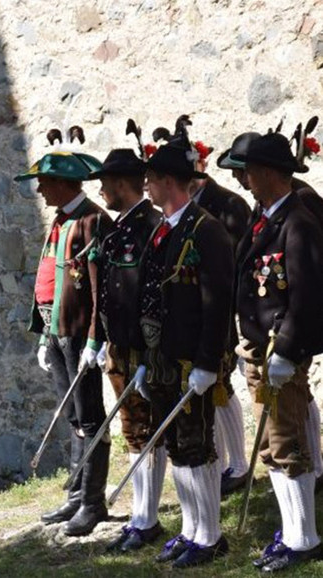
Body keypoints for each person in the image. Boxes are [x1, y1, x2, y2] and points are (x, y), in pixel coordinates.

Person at [138, 140, 233, 568]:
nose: (147, 187)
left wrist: (208, 363)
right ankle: (190, 529)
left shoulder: (205, 228)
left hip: (190, 360)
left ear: (170, 182)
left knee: (197, 445)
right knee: (175, 445)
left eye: (152, 180)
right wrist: (144, 359)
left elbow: (217, 301)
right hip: (161, 357)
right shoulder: (164, 226)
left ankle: (209, 536)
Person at [232, 133, 323, 572]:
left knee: (287, 441)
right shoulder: (265, 219)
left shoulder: (297, 222)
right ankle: (290, 531)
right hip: (259, 348)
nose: (244, 177)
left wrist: (287, 351)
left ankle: (304, 539)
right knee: (271, 442)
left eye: (249, 170)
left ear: (269, 172)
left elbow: (306, 296)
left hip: (278, 352)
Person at [15, 143, 112, 537]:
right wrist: (42, 335)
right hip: (56, 330)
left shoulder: (92, 221)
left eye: (44, 183)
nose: (39, 190)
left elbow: (98, 288)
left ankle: (93, 501)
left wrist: (95, 340)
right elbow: (50, 277)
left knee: (90, 417)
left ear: (63, 183)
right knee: (73, 416)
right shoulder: (60, 220)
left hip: (77, 332)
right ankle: (76, 493)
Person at [88, 148, 167, 552]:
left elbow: (152, 296)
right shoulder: (119, 229)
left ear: (121, 183)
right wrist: (102, 341)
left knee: (146, 430)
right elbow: (109, 290)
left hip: (142, 350)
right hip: (119, 347)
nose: (101, 189)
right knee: (132, 431)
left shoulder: (151, 227)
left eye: (105, 182)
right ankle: (141, 515)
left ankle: (147, 517)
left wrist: (147, 356)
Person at [191, 140, 252, 496]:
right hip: (206, 310)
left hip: (235, 309)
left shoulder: (228, 204)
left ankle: (242, 464)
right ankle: (230, 461)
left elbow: (240, 262)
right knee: (218, 386)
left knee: (230, 385)